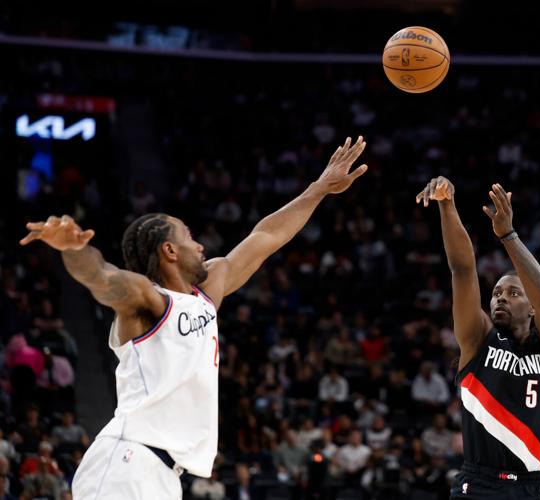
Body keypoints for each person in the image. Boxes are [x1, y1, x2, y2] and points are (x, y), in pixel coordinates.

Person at [19, 136, 368, 499]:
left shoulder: (207, 294)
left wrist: (319, 188)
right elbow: (103, 278)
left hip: (164, 474)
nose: (200, 245)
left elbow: (266, 235)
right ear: (170, 250)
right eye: (189, 236)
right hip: (127, 461)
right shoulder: (147, 301)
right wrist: (74, 250)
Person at [416, 177, 540, 499]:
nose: (500, 299)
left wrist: (508, 236)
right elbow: (462, 270)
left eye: (513, 293)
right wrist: (447, 205)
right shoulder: (478, 338)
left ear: (532, 308)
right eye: (496, 293)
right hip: (479, 484)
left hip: (534, 486)